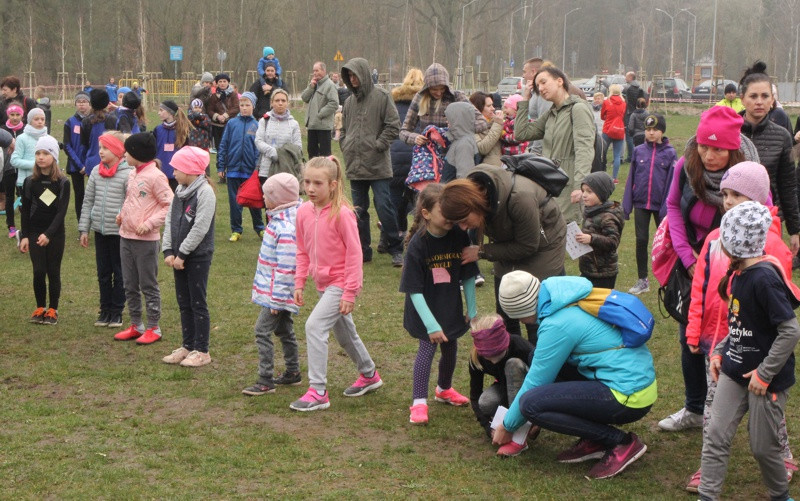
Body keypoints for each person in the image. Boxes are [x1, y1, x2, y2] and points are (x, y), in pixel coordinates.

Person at [684, 162, 797, 493]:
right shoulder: (738, 274)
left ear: (737, 243)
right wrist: (720, 350)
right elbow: (739, 321)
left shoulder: (763, 276)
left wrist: (764, 373)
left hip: (764, 377)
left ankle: (780, 491)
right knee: (715, 435)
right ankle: (708, 495)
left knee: (763, 446)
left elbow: (788, 330)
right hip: (733, 368)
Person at [492, 271, 657, 479]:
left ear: (522, 309)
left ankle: (619, 442)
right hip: (631, 380)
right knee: (536, 357)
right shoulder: (562, 297)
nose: (521, 321)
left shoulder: (557, 324)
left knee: (530, 404)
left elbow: (536, 382)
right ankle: (594, 439)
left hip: (629, 395)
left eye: (518, 316)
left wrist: (508, 425)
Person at [660, 105, 758, 432]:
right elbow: (673, 206)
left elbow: (761, 222)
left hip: (730, 271)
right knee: (688, 336)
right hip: (691, 265)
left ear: (733, 149)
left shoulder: (750, 175)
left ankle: (725, 412)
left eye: (718, 149)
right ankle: (694, 408)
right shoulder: (685, 165)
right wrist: (688, 257)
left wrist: (729, 266)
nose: (709, 155)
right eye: (704, 146)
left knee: (727, 339)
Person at [290, 156, 383, 411]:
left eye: (317, 183)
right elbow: (302, 250)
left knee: (314, 326)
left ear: (332, 185)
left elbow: (355, 254)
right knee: (345, 334)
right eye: (307, 182)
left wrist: (349, 292)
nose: (310, 188)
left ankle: (318, 391)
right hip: (322, 283)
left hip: (340, 283)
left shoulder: (342, 214)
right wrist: (299, 282)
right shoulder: (303, 212)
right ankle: (369, 374)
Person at [439, 164, 566, 344]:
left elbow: (528, 245)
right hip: (506, 240)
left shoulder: (520, 198)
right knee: (506, 308)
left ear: (476, 205)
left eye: (464, 221)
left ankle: (539, 355)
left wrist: (481, 251)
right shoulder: (471, 193)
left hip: (543, 246)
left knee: (535, 314)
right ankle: (512, 356)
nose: (463, 227)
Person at [400, 183, 479, 425]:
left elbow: (468, 275)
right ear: (426, 213)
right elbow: (414, 291)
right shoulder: (418, 245)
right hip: (425, 310)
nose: (451, 217)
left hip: (449, 305)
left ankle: (444, 389)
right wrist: (431, 325)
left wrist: (472, 310)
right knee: (427, 349)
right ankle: (419, 402)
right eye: (444, 212)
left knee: (451, 348)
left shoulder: (459, 235)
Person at [242, 173, 303, 395]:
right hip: (276, 292)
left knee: (262, 331)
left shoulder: (285, 228)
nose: (263, 198)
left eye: (266, 195)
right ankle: (293, 371)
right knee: (285, 330)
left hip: (277, 294)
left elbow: (286, 268)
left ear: (278, 199)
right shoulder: (278, 220)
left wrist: (276, 300)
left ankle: (265, 379)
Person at [340, 57, 403, 266]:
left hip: (378, 164)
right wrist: (345, 144)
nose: (352, 79)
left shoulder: (382, 97)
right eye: (349, 76)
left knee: (384, 206)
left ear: (364, 74)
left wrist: (378, 145)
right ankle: (363, 250)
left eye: (355, 75)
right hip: (355, 164)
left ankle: (396, 248)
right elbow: (344, 130)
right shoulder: (348, 102)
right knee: (358, 210)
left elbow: (393, 125)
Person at [113, 133, 174, 345]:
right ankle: (136, 324)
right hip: (126, 236)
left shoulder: (156, 177)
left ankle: (154, 327)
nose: (124, 155)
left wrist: (149, 224)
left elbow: (169, 205)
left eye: (127, 152)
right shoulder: (132, 174)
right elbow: (131, 200)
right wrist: (122, 215)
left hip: (146, 241)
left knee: (148, 284)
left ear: (137, 154)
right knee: (129, 284)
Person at [514, 66, 595, 223]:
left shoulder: (578, 109)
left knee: (567, 231)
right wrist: (525, 99)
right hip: (549, 185)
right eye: (537, 86)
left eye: (544, 82)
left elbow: (584, 150)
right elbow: (521, 133)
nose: (540, 89)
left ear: (559, 81)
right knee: (549, 232)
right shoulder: (551, 113)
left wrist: (579, 186)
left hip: (568, 187)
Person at [160, 147, 216, 368]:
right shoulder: (179, 191)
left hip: (197, 256)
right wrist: (168, 250)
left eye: (177, 168)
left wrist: (182, 253)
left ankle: (202, 350)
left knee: (197, 302)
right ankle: (187, 345)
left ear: (191, 170)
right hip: (178, 257)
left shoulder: (205, 193)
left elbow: (200, 227)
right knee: (183, 302)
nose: (173, 172)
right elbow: (170, 221)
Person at [738, 61, 800, 255]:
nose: (759, 101)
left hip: (770, 221)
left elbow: (788, 185)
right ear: (742, 99)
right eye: (753, 96)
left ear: (772, 99)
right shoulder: (730, 132)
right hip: (733, 217)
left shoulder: (783, 137)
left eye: (765, 96)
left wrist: (794, 230)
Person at [78, 131, 132, 329]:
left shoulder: (128, 174)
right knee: (103, 272)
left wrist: (122, 218)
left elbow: (130, 203)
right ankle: (105, 309)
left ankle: (116, 311)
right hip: (100, 231)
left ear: (117, 150)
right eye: (100, 147)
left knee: (119, 272)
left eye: (105, 148)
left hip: (119, 233)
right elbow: (88, 201)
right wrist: (84, 228)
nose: (100, 151)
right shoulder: (95, 171)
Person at [622, 113, 676, 295]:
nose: (651, 133)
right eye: (648, 129)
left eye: (655, 129)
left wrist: (666, 209)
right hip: (641, 204)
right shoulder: (638, 151)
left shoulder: (670, 153)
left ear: (662, 131)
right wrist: (627, 205)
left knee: (666, 244)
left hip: (661, 206)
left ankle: (669, 279)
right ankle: (642, 280)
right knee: (641, 240)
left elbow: (671, 183)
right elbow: (631, 178)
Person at [18, 135, 70, 325]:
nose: (41, 157)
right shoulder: (30, 182)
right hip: (34, 232)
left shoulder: (62, 182)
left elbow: (61, 212)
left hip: (55, 233)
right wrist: (24, 236)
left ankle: (53, 309)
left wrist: (48, 234)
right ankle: (40, 307)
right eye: (38, 153)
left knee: (53, 271)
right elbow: (25, 211)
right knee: (38, 271)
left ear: (54, 156)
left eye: (45, 153)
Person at [468, 314, 534, 446]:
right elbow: (475, 396)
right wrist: (488, 427)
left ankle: (521, 429)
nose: (493, 361)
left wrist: (537, 417)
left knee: (513, 365)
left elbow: (544, 377)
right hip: (505, 387)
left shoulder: (520, 347)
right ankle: (508, 423)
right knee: (486, 402)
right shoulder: (476, 359)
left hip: (530, 389)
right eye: (488, 357)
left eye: (498, 354)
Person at [382, 68, 423, 255]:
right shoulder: (424, 105)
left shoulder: (393, 103)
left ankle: (388, 238)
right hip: (416, 160)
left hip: (394, 158)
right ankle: (417, 240)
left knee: (393, 202)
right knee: (419, 203)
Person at [399, 63, 487, 149]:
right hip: (429, 153)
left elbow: (482, 122)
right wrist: (415, 138)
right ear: (427, 87)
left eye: (442, 89)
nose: (438, 93)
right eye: (434, 89)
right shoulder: (419, 98)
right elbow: (404, 131)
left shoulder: (457, 97)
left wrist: (460, 128)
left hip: (454, 153)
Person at [217, 92, 264, 242]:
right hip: (233, 170)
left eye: (247, 105)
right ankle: (236, 230)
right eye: (241, 105)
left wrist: (257, 167)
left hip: (250, 171)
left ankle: (260, 228)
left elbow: (259, 149)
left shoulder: (257, 125)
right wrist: (221, 166)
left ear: (253, 106)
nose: (244, 108)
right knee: (235, 202)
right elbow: (223, 145)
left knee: (253, 200)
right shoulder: (231, 124)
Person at [575, 172, 624, 289]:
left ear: (601, 193)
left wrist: (591, 239)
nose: (584, 195)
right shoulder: (591, 210)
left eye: (589, 192)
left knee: (599, 299)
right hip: (589, 268)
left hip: (603, 273)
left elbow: (613, 242)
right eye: (583, 191)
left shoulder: (608, 217)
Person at [9, 108, 49, 240]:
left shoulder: (47, 138)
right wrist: (35, 164)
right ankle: (25, 235)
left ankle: (41, 235)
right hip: (26, 181)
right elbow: (14, 160)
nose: (40, 122)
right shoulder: (22, 138)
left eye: (42, 119)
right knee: (28, 211)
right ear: (30, 120)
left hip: (45, 181)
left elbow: (54, 158)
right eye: (36, 119)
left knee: (45, 207)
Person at [254, 88, 301, 185]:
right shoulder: (264, 121)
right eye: (277, 100)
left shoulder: (294, 124)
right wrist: (273, 152)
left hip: (287, 170)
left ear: (287, 103)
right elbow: (258, 141)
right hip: (266, 170)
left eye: (283, 100)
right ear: (271, 103)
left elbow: (298, 147)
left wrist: (283, 154)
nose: (280, 103)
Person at [62, 92, 90, 224]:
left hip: (91, 164)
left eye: (84, 102)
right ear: (75, 104)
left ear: (89, 104)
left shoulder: (93, 121)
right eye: (79, 102)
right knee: (79, 195)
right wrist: (80, 165)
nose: (82, 104)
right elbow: (67, 145)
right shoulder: (70, 122)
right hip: (75, 165)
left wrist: (88, 164)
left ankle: (93, 221)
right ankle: (81, 222)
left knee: (94, 195)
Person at [301, 62, 339, 158]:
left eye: (317, 70)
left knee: (325, 155)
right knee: (311, 153)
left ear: (324, 71)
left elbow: (334, 103)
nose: (314, 73)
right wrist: (311, 86)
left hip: (323, 126)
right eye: (313, 71)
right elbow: (304, 98)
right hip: (312, 126)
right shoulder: (314, 84)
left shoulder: (330, 85)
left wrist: (320, 114)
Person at [153, 100, 190, 191]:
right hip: (160, 172)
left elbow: (186, 151)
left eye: (161, 110)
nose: (158, 113)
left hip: (176, 174)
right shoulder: (157, 129)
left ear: (170, 112)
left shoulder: (182, 130)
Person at [81, 89, 118, 179]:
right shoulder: (113, 120)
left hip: (92, 163)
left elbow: (84, 145)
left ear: (91, 103)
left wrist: (84, 163)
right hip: (111, 162)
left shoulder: (86, 121)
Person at [2, 104, 24, 238]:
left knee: (24, 196)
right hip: (8, 168)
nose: (15, 118)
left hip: (23, 169)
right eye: (12, 115)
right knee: (9, 197)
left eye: (17, 115)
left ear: (22, 115)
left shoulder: (26, 129)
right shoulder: (3, 130)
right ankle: (11, 226)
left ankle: (26, 224)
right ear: (8, 115)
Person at [469, 91, 504, 167]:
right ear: (478, 108)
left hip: (500, 166)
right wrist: (497, 124)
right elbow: (482, 148)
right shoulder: (471, 125)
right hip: (486, 169)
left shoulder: (493, 121)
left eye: (492, 105)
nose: (493, 108)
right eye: (488, 106)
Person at [600, 84, 627, 183]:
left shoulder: (607, 102)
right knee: (617, 155)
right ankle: (614, 177)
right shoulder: (623, 103)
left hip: (607, 129)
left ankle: (601, 174)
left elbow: (602, 116)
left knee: (603, 154)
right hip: (619, 130)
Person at [206, 73, 239, 153]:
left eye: (224, 81)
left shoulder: (233, 95)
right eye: (220, 81)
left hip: (230, 125)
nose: (222, 83)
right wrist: (217, 116)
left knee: (231, 149)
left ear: (228, 82)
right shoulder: (213, 96)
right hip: (217, 126)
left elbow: (236, 108)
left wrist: (225, 116)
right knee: (219, 149)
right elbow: (209, 110)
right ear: (217, 83)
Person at [623, 71, 646, 162]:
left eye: (626, 77)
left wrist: (604, 81)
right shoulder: (640, 88)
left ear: (630, 78)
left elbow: (614, 89)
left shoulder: (628, 88)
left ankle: (631, 156)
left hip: (629, 113)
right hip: (639, 111)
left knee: (629, 136)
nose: (625, 78)